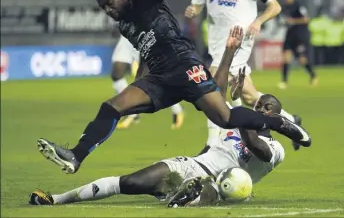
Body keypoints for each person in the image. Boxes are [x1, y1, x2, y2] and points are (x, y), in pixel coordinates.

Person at [36, 0, 311, 176]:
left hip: (184, 65)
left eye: (110, 2)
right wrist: (138, 84)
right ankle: (76, 156)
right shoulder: (125, 25)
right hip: (158, 78)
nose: (108, 9)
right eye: (103, 7)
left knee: (225, 118)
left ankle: (279, 123)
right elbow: (146, 51)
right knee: (111, 107)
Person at [29, 27, 286, 207]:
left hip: (221, 184)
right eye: (259, 105)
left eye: (267, 108)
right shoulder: (237, 120)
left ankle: (185, 197)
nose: (261, 110)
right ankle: (58, 198)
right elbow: (215, 91)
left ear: (275, 116)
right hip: (192, 164)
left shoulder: (276, 148)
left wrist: (244, 115)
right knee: (130, 182)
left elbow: (256, 146)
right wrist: (229, 52)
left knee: (207, 190)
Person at [185, 0, 302, 148]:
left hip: (239, 43)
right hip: (217, 44)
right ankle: (290, 121)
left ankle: (212, 143)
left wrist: (258, 21)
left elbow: (274, 7)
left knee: (210, 88)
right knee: (249, 95)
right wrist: (193, 10)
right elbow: (198, 5)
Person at [111, 0, 184, 130]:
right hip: (125, 40)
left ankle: (177, 109)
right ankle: (132, 112)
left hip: (140, 38)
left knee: (151, 78)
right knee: (116, 74)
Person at [278, 0, 318, 89]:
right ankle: (284, 81)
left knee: (302, 60)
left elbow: (306, 19)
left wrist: (293, 21)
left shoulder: (298, 6)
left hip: (300, 36)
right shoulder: (284, 7)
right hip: (289, 35)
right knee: (286, 57)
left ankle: (313, 76)